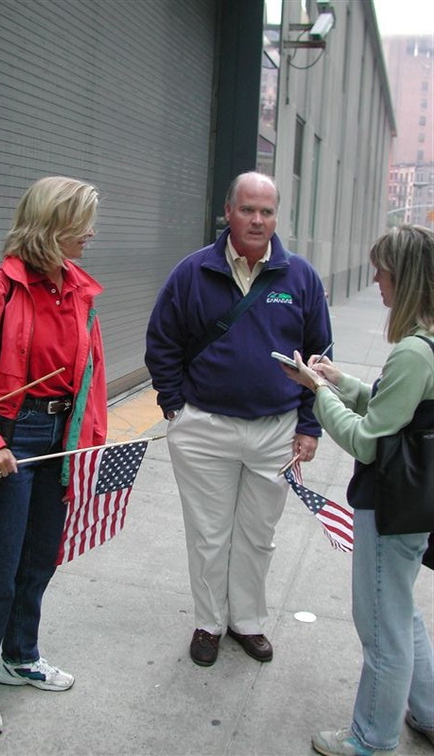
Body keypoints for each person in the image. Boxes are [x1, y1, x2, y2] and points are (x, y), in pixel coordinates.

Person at [0, 176, 107, 736]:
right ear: (52, 225)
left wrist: (88, 446)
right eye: (81, 223)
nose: (90, 234)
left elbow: (92, 378)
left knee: (40, 560)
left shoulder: (80, 291)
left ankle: (20, 657)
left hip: (58, 439)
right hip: (10, 437)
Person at [144, 171, 332, 667]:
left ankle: (246, 622)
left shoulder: (301, 277)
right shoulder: (192, 272)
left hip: (276, 430)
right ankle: (209, 622)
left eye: (267, 211)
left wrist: (309, 425)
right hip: (204, 427)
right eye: (247, 209)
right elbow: (162, 340)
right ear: (228, 212)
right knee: (208, 533)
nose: (257, 219)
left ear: (276, 217)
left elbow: (320, 357)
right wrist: (173, 406)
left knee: (257, 534)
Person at [279, 225, 434, 756]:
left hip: (391, 504)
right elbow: (399, 411)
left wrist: (319, 392)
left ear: (406, 277)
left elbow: (368, 441)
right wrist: (342, 382)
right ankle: (429, 712)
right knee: (400, 611)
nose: (376, 280)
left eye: (383, 271)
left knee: (380, 624)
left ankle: (371, 737)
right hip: (415, 503)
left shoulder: (415, 351)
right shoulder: (429, 342)